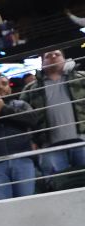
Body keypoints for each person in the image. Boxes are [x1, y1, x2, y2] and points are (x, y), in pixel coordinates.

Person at [21, 49, 85, 178]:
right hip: (49, 146)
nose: (53, 56)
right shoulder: (31, 89)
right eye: (48, 56)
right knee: (58, 186)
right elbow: (23, 118)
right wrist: (31, 142)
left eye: (57, 54)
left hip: (82, 141)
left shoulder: (82, 78)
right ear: (42, 63)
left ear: (64, 59)